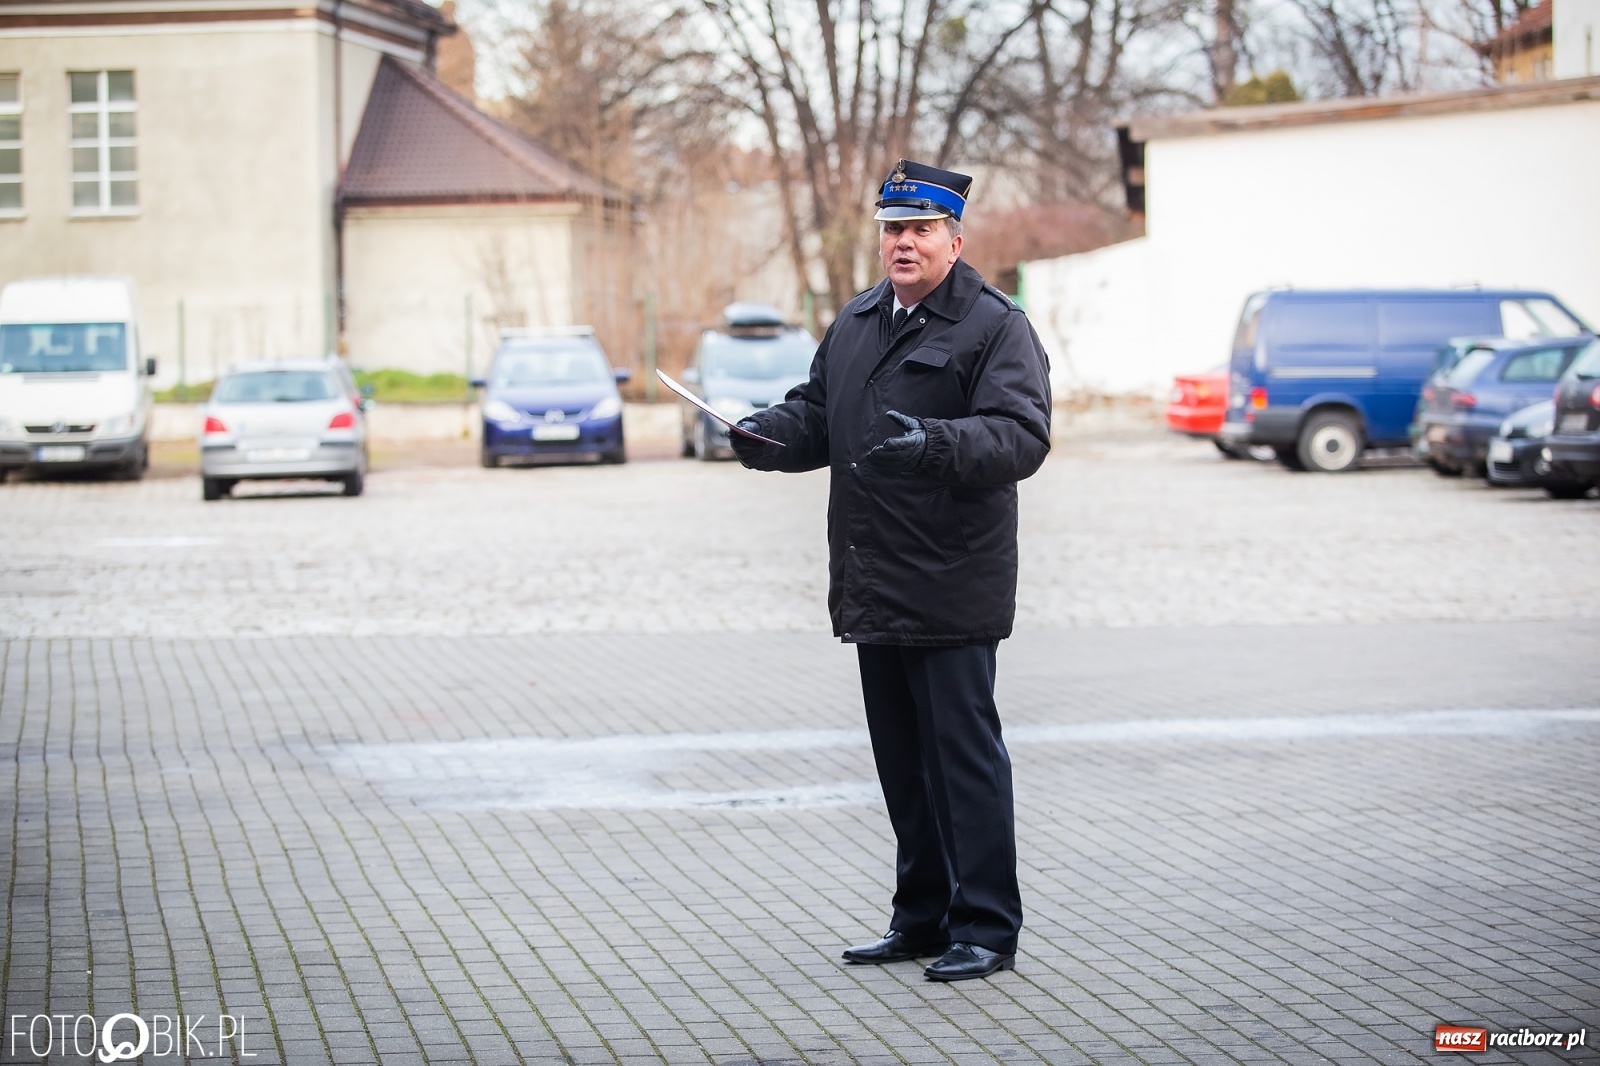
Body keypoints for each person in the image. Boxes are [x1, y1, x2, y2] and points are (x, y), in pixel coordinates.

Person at [727, 159, 1052, 981]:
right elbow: (818, 414)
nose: (903, 243)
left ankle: (986, 929)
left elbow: (1021, 436)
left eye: (919, 230)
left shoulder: (994, 327)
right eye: (893, 229)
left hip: (951, 582)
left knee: (964, 765)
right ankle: (921, 919)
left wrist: (936, 444)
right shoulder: (860, 319)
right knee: (904, 768)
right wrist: (768, 436)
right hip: (874, 580)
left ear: (954, 240)